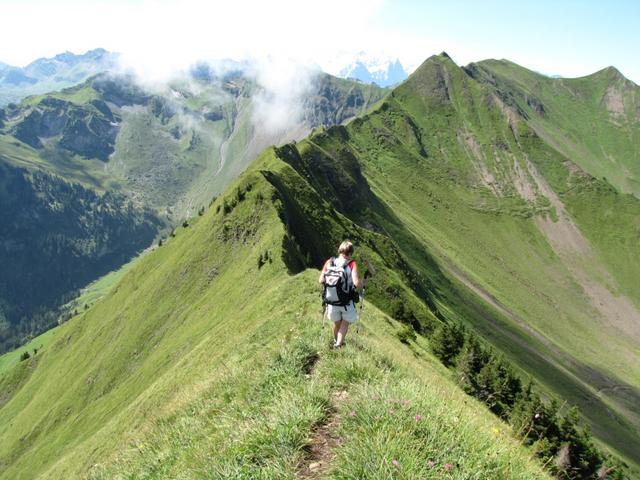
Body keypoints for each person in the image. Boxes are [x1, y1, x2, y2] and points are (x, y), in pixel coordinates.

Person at [319, 240, 361, 348]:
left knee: (336, 323)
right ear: (350, 253)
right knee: (345, 323)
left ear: (340, 250)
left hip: (331, 300)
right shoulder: (352, 264)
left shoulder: (330, 262)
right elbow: (356, 283)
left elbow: (321, 280)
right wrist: (360, 284)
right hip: (346, 301)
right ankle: (338, 344)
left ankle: (336, 341)